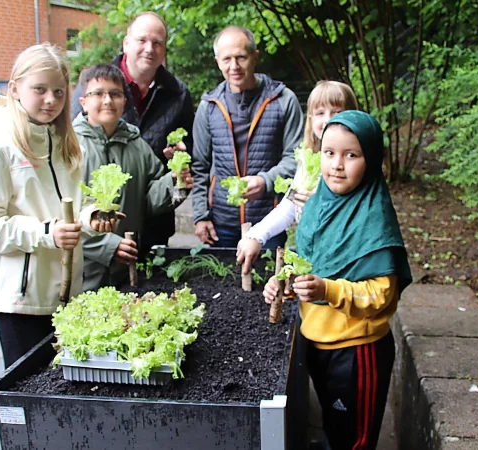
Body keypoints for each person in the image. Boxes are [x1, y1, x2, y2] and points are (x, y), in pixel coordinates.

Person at [0, 44, 120, 368]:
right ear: (14, 89)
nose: (50, 100)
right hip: (20, 303)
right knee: (28, 389)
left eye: (58, 92)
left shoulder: (67, 145)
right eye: (40, 89)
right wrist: (47, 232)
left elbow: (73, 208)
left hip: (67, 295)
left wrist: (91, 219)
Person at [262, 111, 412, 450]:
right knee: (333, 424)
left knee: (354, 439)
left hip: (357, 351)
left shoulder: (373, 217)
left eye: (351, 155)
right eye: (329, 153)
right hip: (316, 341)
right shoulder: (318, 203)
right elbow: (306, 263)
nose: (337, 165)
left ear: (370, 159)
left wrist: (327, 289)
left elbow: (382, 296)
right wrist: (284, 284)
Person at [70, 12, 194, 253]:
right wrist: (105, 245)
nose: (149, 48)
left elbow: (185, 154)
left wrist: (177, 174)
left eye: (157, 43)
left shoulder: (178, 94)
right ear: (126, 43)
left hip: (149, 228)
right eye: (142, 40)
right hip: (89, 250)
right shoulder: (95, 82)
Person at [73, 64, 192, 291]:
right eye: (98, 93)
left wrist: (175, 183)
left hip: (126, 271)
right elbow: (61, 213)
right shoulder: (70, 147)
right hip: (82, 274)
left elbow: (149, 201)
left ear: (124, 101)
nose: (107, 101)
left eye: (115, 94)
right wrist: (108, 246)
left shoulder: (137, 145)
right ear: (83, 102)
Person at [191, 26, 303, 249]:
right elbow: (199, 166)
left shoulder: (283, 100)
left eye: (241, 57)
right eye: (226, 59)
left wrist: (265, 181)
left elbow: (296, 157)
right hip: (221, 223)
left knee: (270, 273)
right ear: (217, 61)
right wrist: (200, 216)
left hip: (270, 221)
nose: (234, 66)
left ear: (255, 57)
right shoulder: (209, 106)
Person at [236, 81, 355, 273]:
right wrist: (256, 235)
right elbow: (290, 206)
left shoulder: (354, 163)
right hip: (313, 255)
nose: (327, 120)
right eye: (320, 113)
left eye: (337, 112)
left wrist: (321, 206)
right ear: (311, 119)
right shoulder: (308, 160)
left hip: (344, 261)